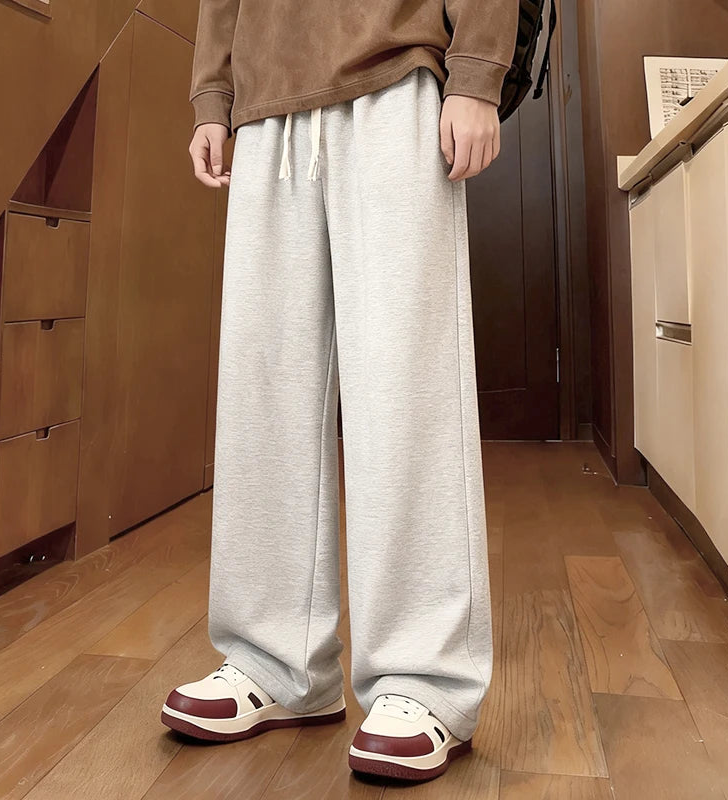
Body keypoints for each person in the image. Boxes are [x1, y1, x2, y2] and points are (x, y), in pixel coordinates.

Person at [161, 0, 517, 782]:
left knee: (405, 387)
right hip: (265, 95)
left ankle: (425, 677)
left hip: (395, 65)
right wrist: (213, 93)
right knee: (264, 392)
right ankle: (275, 660)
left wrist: (477, 71)